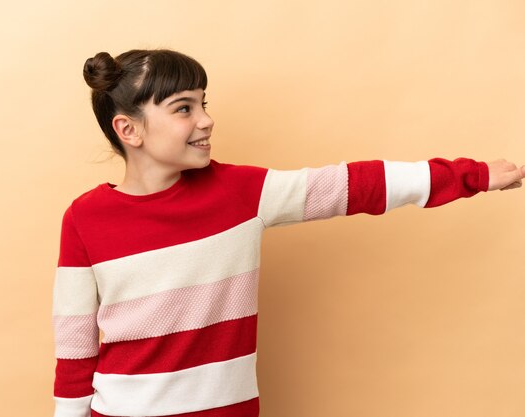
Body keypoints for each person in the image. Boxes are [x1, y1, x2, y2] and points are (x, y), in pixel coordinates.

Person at [51, 48, 524, 417]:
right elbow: (75, 347)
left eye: (203, 103)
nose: (206, 119)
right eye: (183, 108)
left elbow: (353, 185)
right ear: (128, 130)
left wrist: (473, 175)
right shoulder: (84, 218)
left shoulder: (242, 192)